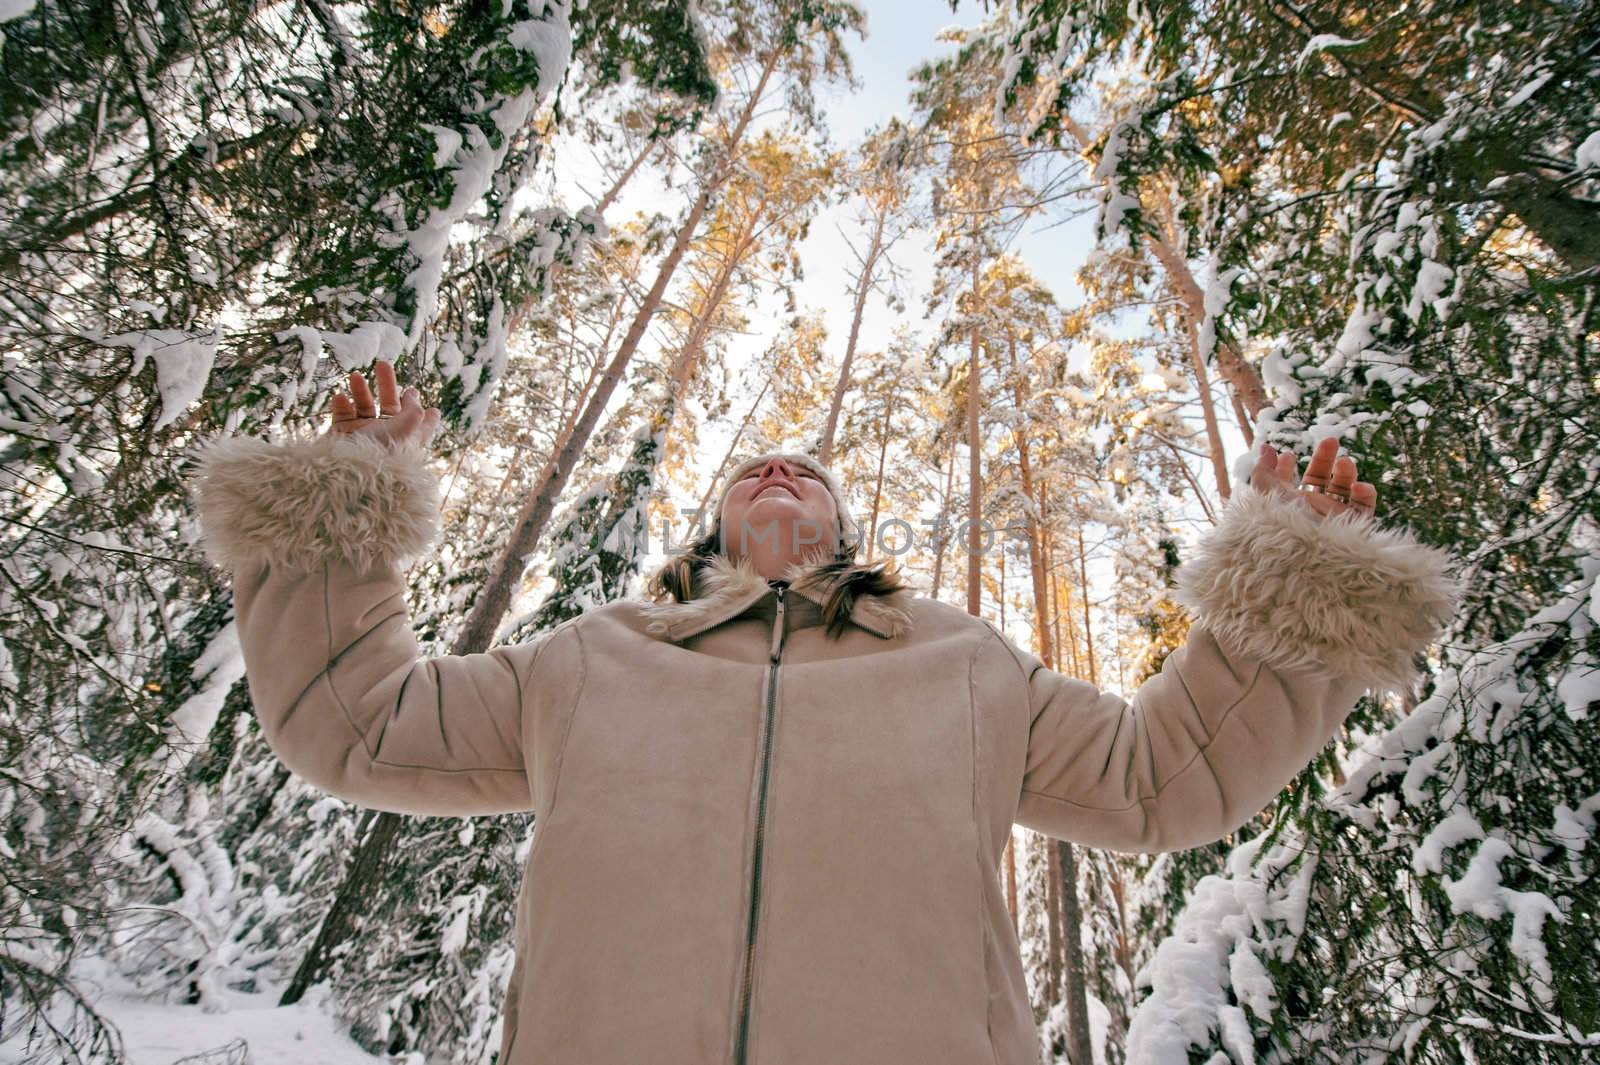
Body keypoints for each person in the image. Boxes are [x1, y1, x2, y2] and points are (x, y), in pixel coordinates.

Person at [189, 359, 1457, 1065]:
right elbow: (357, 723)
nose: (782, 467)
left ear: (845, 528)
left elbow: (1157, 777)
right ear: (717, 524)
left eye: (809, 469)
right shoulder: (591, 658)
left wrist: (1291, 596)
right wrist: (335, 514)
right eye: (755, 467)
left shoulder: (962, 662)